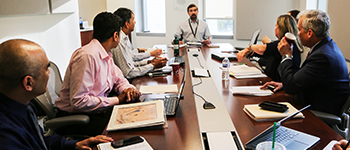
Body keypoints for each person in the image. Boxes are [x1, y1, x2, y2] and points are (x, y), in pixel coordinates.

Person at [0, 39, 114, 150]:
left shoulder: (24, 106)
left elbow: (41, 141)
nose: (49, 72)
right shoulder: (7, 135)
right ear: (28, 82)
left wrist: (74, 144)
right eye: (46, 68)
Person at [55, 12, 141, 136]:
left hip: (96, 110)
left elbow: (119, 79)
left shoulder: (106, 54)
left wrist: (129, 90)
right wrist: (116, 100)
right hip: (77, 117)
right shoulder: (87, 56)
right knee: (124, 131)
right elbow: (79, 101)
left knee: (134, 116)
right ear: (115, 35)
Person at [261, 10, 350, 116]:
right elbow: (305, 80)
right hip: (311, 102)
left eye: (299, 30)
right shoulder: (327, 47)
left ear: (309, 33)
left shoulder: (322, 56)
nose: (297, 33)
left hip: (316, 114)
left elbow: (291, 87)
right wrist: (283, 84)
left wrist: (286, 56)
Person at [237, 15, 303, 81]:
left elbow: (262, 49)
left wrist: (249, 48)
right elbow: (268, 52)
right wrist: (252, 52)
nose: (275, 28)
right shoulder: (285, 43)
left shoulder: (286, 45)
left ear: (281, 28)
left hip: (278, 85)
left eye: (276, 26)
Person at [111, 8, 167, 79]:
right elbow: (129, 73)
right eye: (133, 20)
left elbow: (130, 63)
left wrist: (149, 62)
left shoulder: (124, 38)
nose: (135, 22)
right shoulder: (119, 41)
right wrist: (153, 65)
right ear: (127, 24)